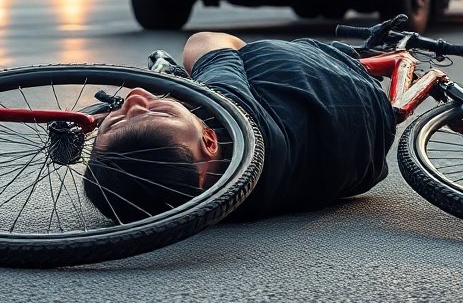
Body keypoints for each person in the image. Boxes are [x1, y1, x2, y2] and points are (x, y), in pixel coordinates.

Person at [83, 34, 397, 223]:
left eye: (115, 120)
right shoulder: (228, 109)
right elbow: (206, 41)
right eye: (160, 110)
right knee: (227, 57)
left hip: (368, 159)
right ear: (210, 140)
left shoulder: (221, 210)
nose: (135, 98)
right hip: (334, 64)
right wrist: (202, 83)